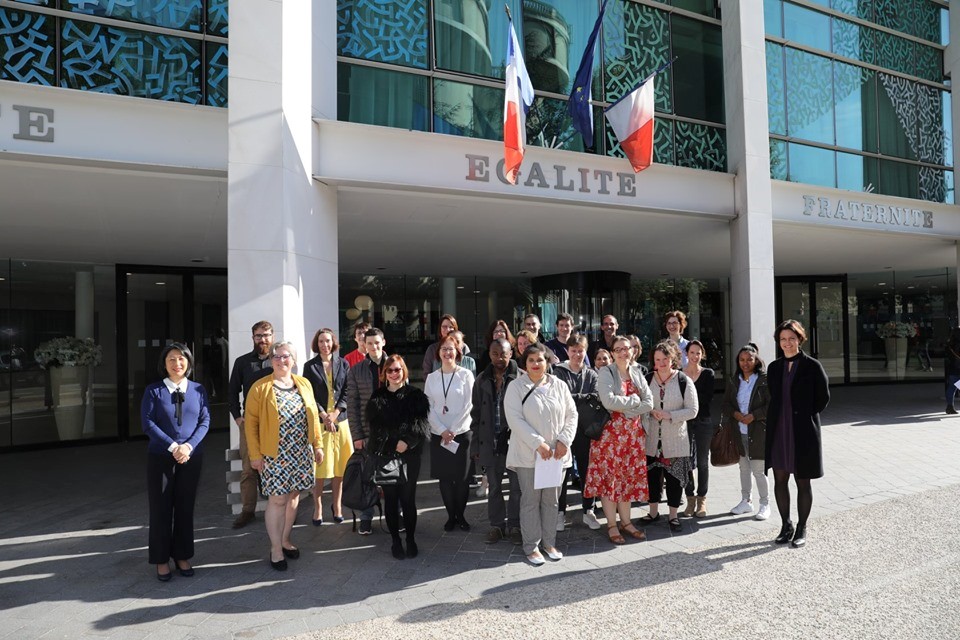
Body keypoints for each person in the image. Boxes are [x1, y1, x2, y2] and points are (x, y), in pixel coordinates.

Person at [244, 341, 323, 571]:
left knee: (294, 497)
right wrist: (255, 455)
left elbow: (313, 417)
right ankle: (276, 548)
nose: (280, 360)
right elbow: (251, 425)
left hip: (300, 452)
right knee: (278, 499)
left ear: (294, 359)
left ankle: (286, 539)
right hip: (274, 455)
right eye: (276, 356)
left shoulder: (304, 383)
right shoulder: (260, 388)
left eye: (285, 356)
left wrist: (317, 445)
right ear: (270, 360)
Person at [141, 343, 210, 581]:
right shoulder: (154, 390)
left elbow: (205, 421)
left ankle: (182, 555)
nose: (177, 363)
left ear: (188, 363)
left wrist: (188, 446)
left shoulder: (198, 389)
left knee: (184, 508)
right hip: (161, 457)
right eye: (171, 359)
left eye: (181, 359)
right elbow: (147, 423)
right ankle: (161, 559)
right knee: (160, 510)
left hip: (191, 457)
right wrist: (173, 446)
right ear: (164, 363)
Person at [504, 344, 577, 565]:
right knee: (530, 501)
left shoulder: (559, 385)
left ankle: (549, 543)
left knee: (551, 501)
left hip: (556, 455)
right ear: (525, 364)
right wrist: (538, 444)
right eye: (531, 360)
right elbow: (514, 419)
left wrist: (564, 440)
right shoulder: (516, 387)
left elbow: (572, 414)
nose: (536, 364)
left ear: (547, 362)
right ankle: (531, 546)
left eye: (540, 360)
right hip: (529, 455)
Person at [584, 335, 654, 545]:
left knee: (627, 481)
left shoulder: (637, 372)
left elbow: (649, 402)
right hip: (609, 438)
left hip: (633, 438)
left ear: (632, 351)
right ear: (612, 353)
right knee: (609, 482)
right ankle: (612, 525)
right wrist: (633, 401)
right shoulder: (606, 372)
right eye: (619, 349)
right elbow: (608, 401)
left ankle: (626, 522)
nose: (624, 352)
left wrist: (629, 412)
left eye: (627, 348)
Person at [766, 319, 830, 548]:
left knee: (803, 481)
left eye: (791, 338)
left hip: (803, 432)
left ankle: (802, 527)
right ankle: (786, 525)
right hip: (779, 431)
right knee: (780, 479)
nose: (787, 343)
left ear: (800, 339)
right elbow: (773, 396)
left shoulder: (812, 366)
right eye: (783, 339)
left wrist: (803, 414)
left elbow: (823, 398)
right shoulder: (774, 368)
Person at [366, 355, 431, 560]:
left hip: (410, 457)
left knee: (408, 499)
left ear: (404, 371)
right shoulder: (377, 398)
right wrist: (394, 444)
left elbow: (421, 426)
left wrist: (408, 442)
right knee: (391, 501)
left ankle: (410, 539)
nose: (394, 374)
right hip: (386, 456)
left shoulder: (416, 396)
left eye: (398, 369)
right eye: (390, 370)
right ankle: (395, 540)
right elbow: (375, 430)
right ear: (384, 374)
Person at [641, 340, 698, 533]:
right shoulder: (647, 379)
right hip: (651, 440)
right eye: (658, 359)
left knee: (674, 479)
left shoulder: (683, 380)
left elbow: (693, 410)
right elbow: (641, 405)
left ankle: (673, 516)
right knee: (652, 478)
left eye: (665, 359)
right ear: (653, 361)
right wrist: (650, 412)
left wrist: (670, 415)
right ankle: (653, 512)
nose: (662, 363)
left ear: (672, 359)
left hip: (675, 441)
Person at [471, 338, 522, 545]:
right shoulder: (481, 379)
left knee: (517, 487)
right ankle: (497, 526)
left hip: (514, 443)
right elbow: (475, 415)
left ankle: (515, 525)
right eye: (495, 354)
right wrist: (475, 444)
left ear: (511, 353)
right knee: (494, 487)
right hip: (490, 442)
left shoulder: (520, 378)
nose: (499, 358)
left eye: (503, 353)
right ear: (489, 355)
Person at [425, 333, 475, 530]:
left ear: (458, 352)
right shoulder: (432, 378)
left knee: (462, 479)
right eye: (444, 349)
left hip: (461, 434)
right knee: (445, 478)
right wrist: (442, 430)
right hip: (439, 436)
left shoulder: (466, 375)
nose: (447, 352)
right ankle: (450, 516)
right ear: (438, 353)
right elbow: (428, 407)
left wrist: (452, 430)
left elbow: (470, 405)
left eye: (451, 349)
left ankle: (460, 516)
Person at [227, 320, 275, 529]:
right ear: (253, 338)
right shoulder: (242, 362)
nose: (263, 339)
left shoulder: (279, 360)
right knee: (249, 468)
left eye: (266, 335)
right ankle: (248, 511)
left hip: (275, 422)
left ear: (272, 336)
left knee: (276, 465)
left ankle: (279, 508)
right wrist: (238, 418)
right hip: (250, 423)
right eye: (258, 336)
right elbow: (231, 392)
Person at [303, 328, 351, 525]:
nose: (325, 344)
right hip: (320, 421)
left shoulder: (344, 363)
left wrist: (336, 413)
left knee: (340, 467)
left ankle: (337, 505)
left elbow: (348, 389)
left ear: (334, 343)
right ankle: (318, 507)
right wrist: (324, 414)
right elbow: (309, 394)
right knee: (320, 468)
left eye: (328, 341)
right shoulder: (310, 366)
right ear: (317, 343)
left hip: (341, 421)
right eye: (321, 341)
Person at [553, 334, 601, 531]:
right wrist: (583, 398)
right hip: (564, 429)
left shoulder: (591, 374)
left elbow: (596, 398)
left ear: (585, 351)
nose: (577, 354)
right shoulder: (559, 372)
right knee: (562, 473)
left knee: (586, 471)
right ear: (567, 351)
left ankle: (588, 511)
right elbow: (558, 398)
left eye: (580, 350)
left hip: (586, 431)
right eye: (573, 350)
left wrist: (575, 398)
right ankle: (559, 513)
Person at [345, 327, 388, 535]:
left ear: (383, 342)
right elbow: (352, 406)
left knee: (392, 476)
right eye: (369, 343)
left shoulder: (395, 366)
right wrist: (357, 436)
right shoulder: (356, 370)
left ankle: (394, 514)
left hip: (391, 434)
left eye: (377, 342)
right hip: (367, 434)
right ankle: (366, 517)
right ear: (364, 345)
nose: (373, 347)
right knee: (367, 476)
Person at [724, 343, 771, 521]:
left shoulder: (764, 380)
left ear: (756, 360)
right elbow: (726, 405)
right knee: (744, 468)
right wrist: (735, 413)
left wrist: (754, 416)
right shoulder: (733, 380)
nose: (745, 363)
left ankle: (765, 504)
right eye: (742, 360)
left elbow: (771, 405)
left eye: (749, 359)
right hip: (739, 431)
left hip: (758, 431)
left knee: (759, 470)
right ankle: (746, 501)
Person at [682, 339, 716, 518]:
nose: (695, 356)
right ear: (686, 354)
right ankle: (690, 499)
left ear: (702, 355)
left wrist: (689, 401)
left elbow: (707, 398)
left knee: (703, 462)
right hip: (684, 423)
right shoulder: (680, 375)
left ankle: (702, 499)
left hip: (703, 421)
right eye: (692, 352)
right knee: (686, 461)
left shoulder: (708, 373)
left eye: (698, 353)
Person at [422, 314, 470, 378]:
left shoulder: (464, 347)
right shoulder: (432, 349)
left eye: (451, 327)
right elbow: (427, 373)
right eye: (444, 326)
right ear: (440, 329)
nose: (447, 330)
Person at [944, 327, 960, 414]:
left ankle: (950, 406)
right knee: (954, 387)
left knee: (952, 388)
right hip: (958, 368)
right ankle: (950, 407)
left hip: (953, 368)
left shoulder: (950, 344)